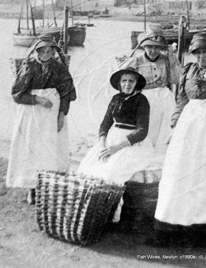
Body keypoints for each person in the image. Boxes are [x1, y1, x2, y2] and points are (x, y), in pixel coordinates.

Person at [153, 31, 206, 247]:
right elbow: (181, 98)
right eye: (197, 52)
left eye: (205, 51)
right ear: (193, 53)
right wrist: (174, 125)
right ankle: (176, 223)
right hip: (189, 124)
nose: (201, 56)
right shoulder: (189, 70)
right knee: (180, 171)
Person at [6, 35, 76, 204]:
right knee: (32, 149)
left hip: (52, 113)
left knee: (52, 149)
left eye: (49, 51)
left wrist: (61, 116)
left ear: (53, 52)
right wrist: (37, 99)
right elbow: (17, 94)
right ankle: (32, 188)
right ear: (36, 51)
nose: (45, 54)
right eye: (42, 51)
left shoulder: (59, 68)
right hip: (32, 113)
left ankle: (49, 187)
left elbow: (66, 93)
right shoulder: (28, 66)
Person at [77, 67, 154, 221]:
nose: (127, 84)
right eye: (124, 81)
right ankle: (88, 211)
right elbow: (105, 125)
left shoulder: (141, 101)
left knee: (112, 173)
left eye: (131, 81)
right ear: (119, 83)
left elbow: (142, 131)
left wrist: (116, 148)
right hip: (111, 139)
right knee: (86, 168)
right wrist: (103, 145)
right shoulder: (116, 99)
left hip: (132, 143)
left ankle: (109, 214)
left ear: (136, 83)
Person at [120, 30, 181, 158]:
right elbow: (122, 78)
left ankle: (161, 156)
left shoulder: (166, 60)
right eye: (149, 47)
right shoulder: (136, 61)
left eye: (156, 47)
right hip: (145, 97)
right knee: (146, 127)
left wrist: (172, 57)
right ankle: (142, 157)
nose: (152, 51)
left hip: (164, 97)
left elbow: (176, 79)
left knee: (165, 128)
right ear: (144, 46)